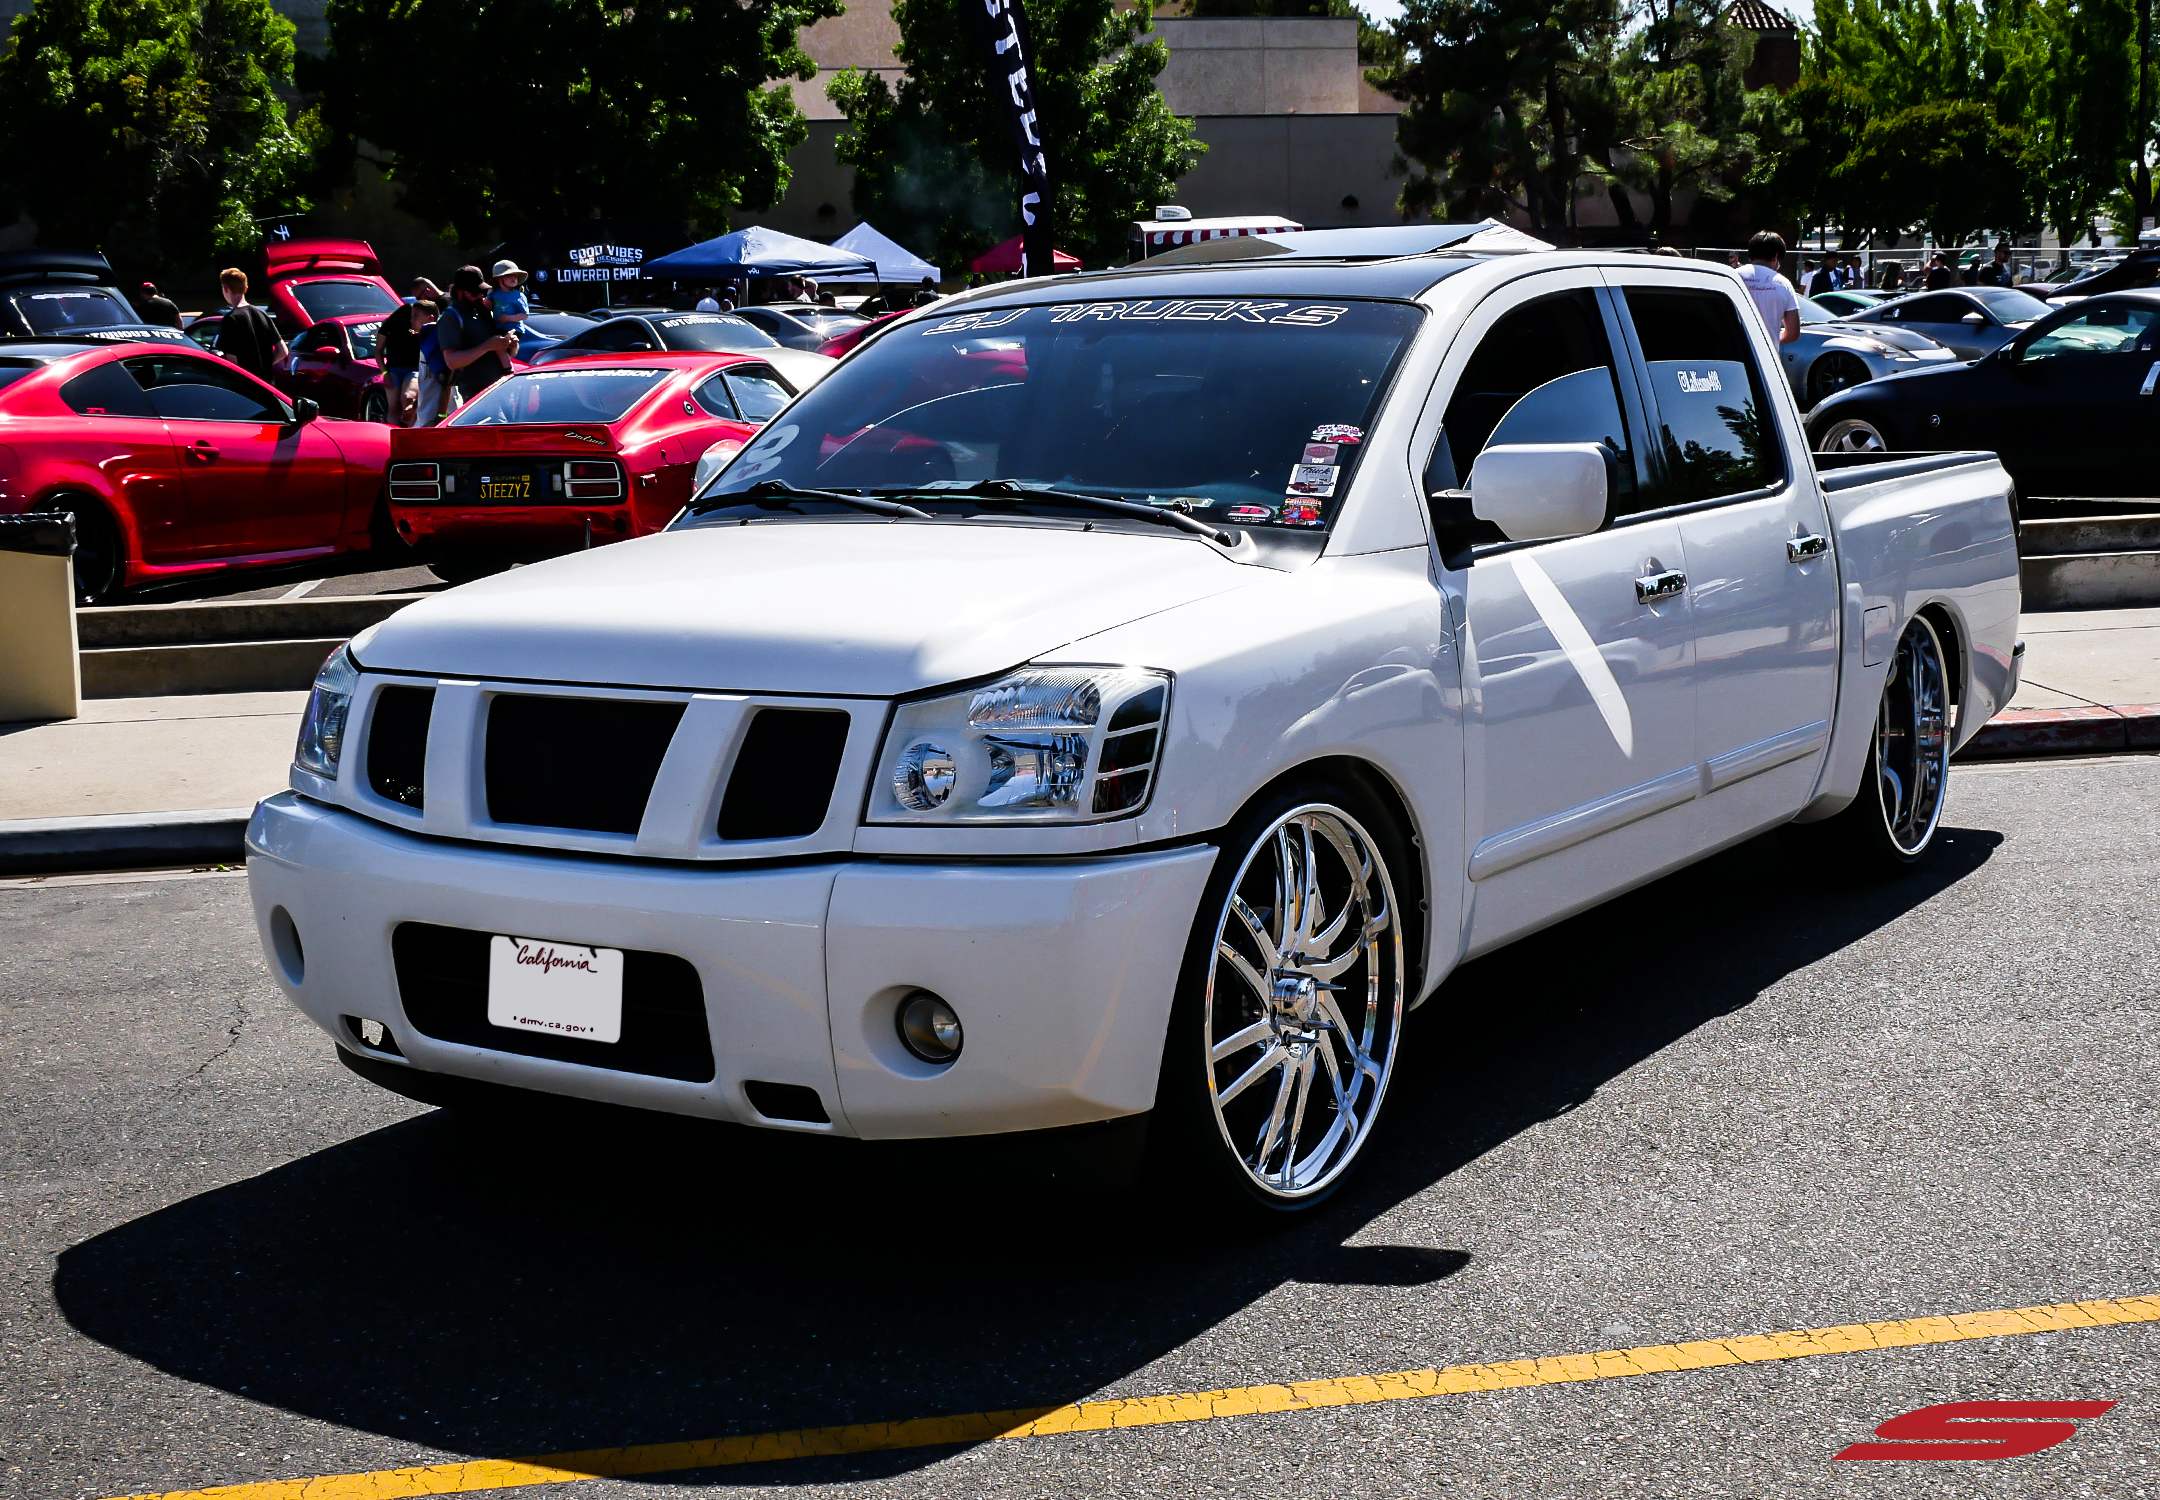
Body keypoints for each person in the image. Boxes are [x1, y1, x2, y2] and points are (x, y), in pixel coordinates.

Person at [439, 265, 515, 406]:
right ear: (460, 292)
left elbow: (505, 351)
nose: (481, 295)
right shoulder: (450, 317)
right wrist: (487, 346)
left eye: (483, 291)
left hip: (501, 390)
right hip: (477, 397)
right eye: (475, 291)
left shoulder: (482, 311)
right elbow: (452, 361)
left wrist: (510, 344)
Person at [212, 268, 285, 381]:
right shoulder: (262, 314)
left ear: (225, 288)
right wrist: (264, 367)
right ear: (246, 289)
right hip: (267, 386)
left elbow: (232, 361)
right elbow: (283, 351)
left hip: (247, 388)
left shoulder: (230, 319)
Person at [1739, 232, 1801, 346]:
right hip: (1766, 358)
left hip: (1732, 355)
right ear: (1776, 257)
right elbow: (1793, 333)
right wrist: (1773, 341)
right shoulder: (1783, 284)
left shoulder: (1734, 276)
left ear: (1750, 255)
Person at [377, 298, 428, 425]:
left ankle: (411, 430)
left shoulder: (419, 330)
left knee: (408, 397)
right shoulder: (388, 329)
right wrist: (384, 373)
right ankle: (393, 433)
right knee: (393, 408)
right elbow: (378, 351)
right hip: (393, 370)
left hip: (413, 369)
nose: (413, 320)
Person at [412, 302, 452, 426]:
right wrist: (413, 408)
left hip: (440, 416)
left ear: (430, 318)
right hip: (425, 414)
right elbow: (426, 381)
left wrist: (442, 416)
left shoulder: (436, 343)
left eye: (416, 316)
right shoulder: (425, 341)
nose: (411, 320)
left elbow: (448, 381)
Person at [486, 260, 531, 345]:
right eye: (509, 275)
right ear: (499, 278)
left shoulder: (519, 295)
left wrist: (508, 318)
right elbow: (487, 304)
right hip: (497, 329)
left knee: (503, 348)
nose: (514, 278)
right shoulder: (494, 293)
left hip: (513, 330)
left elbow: (524, 315)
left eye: (515, 275)